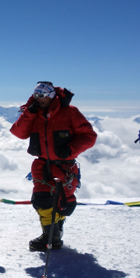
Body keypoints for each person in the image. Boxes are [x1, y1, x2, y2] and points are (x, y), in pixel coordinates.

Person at [10, 81, 97, 251]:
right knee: (42, 200)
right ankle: (51, 237)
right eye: (36, 95)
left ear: (51, 96)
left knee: (61, 203)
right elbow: (18, 133)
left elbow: (89, 135)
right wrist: (29, 113)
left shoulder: (69, 112)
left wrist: (70, 149)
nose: (38, 99)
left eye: (42, 95)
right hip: (42, 164)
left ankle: (54, 234)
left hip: (65, 166)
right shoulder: (32, 113)